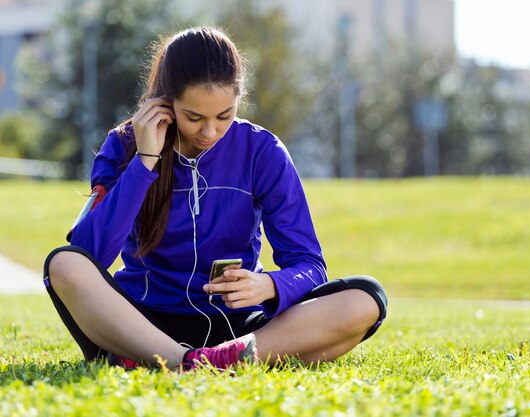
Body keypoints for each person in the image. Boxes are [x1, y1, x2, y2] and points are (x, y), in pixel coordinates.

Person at [43, 26, 387, 371]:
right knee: (64, 264)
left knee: (365, 300)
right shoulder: (123, 145)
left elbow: (310, 265)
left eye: (225, 115)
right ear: (167, 102)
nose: (210, 132)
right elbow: (89, 255)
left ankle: (201, 362)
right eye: (194, 117)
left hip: (238, 327)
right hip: (140, 323)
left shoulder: (263, 151)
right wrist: (145, 161)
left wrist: (269, 285)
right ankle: (186, 360)